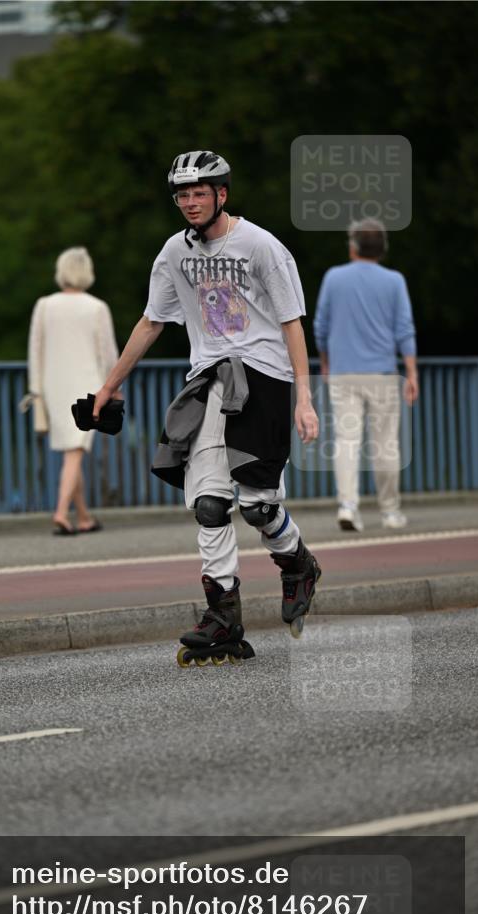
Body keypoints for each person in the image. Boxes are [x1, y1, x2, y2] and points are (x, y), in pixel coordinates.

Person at [91, 150, 321, 652]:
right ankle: (222, 617)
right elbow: (152, 321)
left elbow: (291, 323)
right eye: (182, 196)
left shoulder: (262, 247)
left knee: (259, 510)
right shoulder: (175, 252)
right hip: (210, 382)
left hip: (264, 380)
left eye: (199, 193)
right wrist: (110, 385)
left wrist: (304, 398)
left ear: (222, 194)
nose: (190, 203)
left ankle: (297, 562)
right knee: (211, 505)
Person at [314, 218, 419, 532]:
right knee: (386, 444)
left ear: (353, 246)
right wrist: (411, 372)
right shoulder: (395, 281)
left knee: (346, 441)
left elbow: (321, 326)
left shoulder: (334, 277)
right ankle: (390, 511)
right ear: (382, 248)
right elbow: (404, 329)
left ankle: (348, 506)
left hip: (344, 373)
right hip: (383, 373)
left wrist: (325, 362)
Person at [27, 246, 119, 535]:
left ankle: (84, 517)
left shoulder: (44, 305)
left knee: (72, 450)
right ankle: (61, 513)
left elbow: (35, 349)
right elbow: (108, 354)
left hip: (54, 385)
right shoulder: (97, 307)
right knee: (75, 451)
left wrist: (36, 389)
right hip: (88, 385)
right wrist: (114, 387)